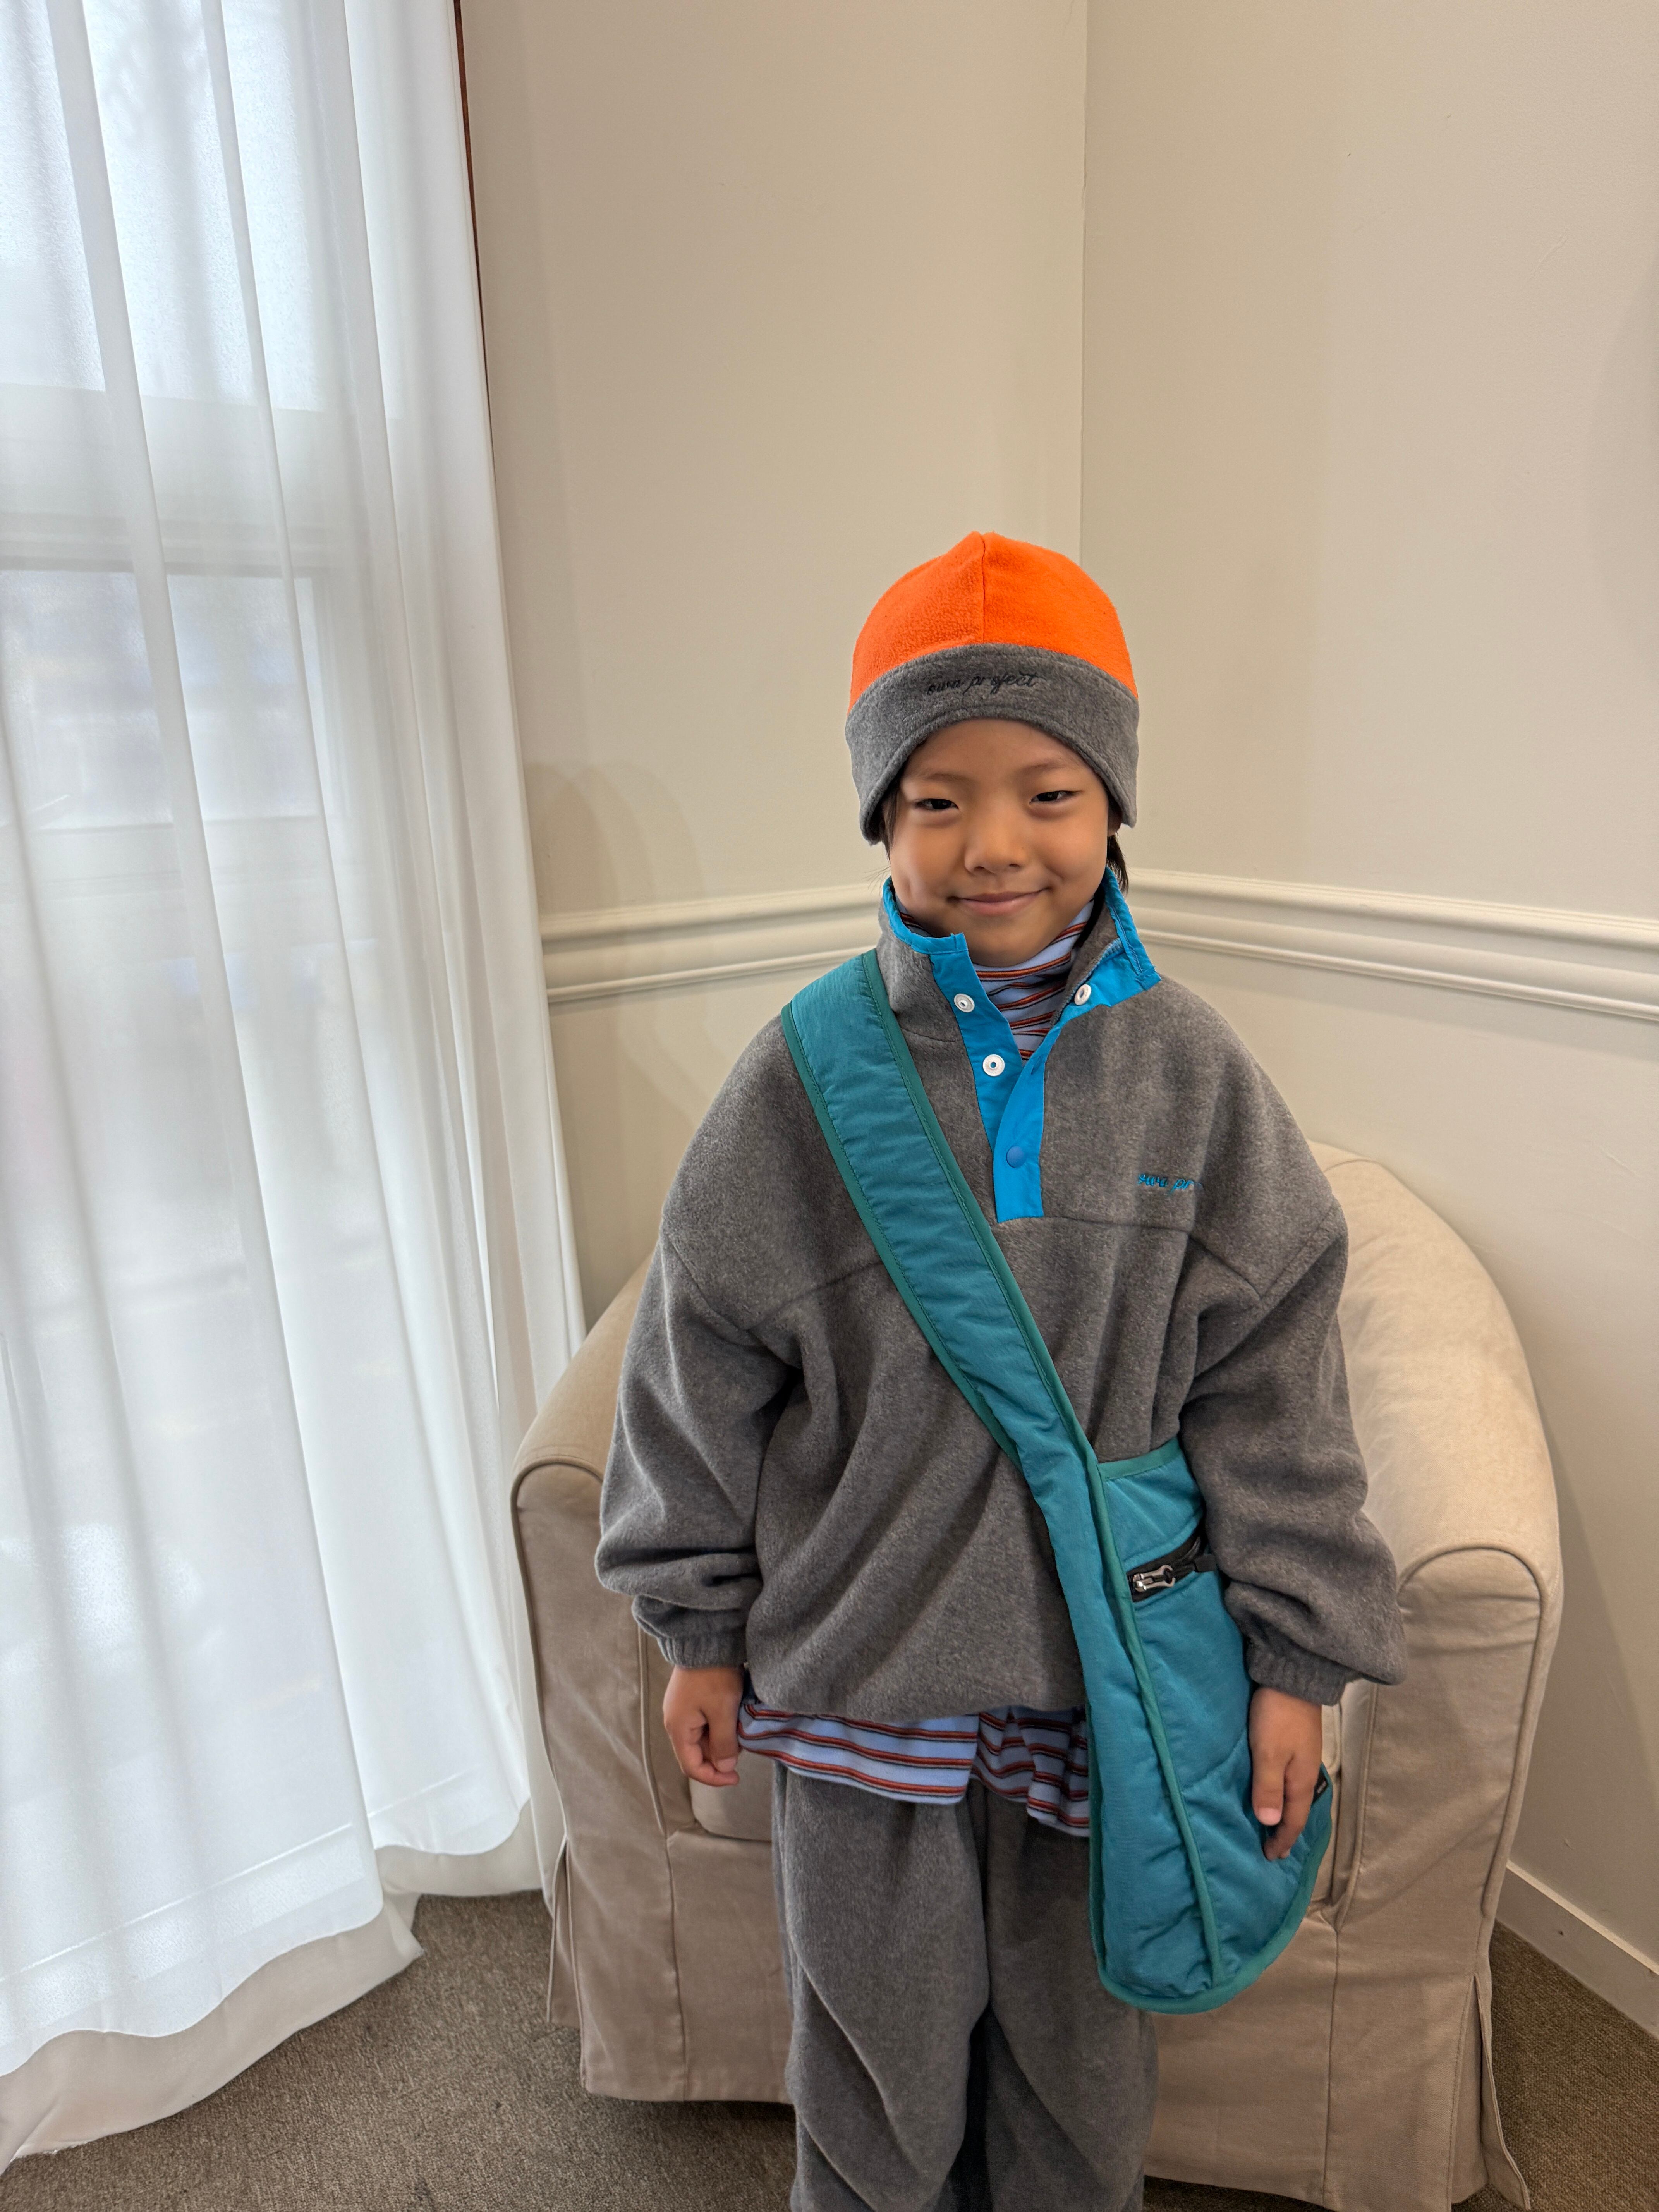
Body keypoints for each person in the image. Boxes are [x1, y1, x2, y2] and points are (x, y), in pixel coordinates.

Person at [596, 531, 1406, 2211]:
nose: (993, 843)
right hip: (861, 1685)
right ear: (880, 821)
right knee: (874, 2079)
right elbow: (696, 1363)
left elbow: (1274, 1386)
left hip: (1108, 1692)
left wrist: (1295, 1658)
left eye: (1048, 792)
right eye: (937, 799)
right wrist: (694, 1624)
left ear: (1113, 804)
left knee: (1082, 2077)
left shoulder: (1193, 1076)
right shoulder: (799, 1078)